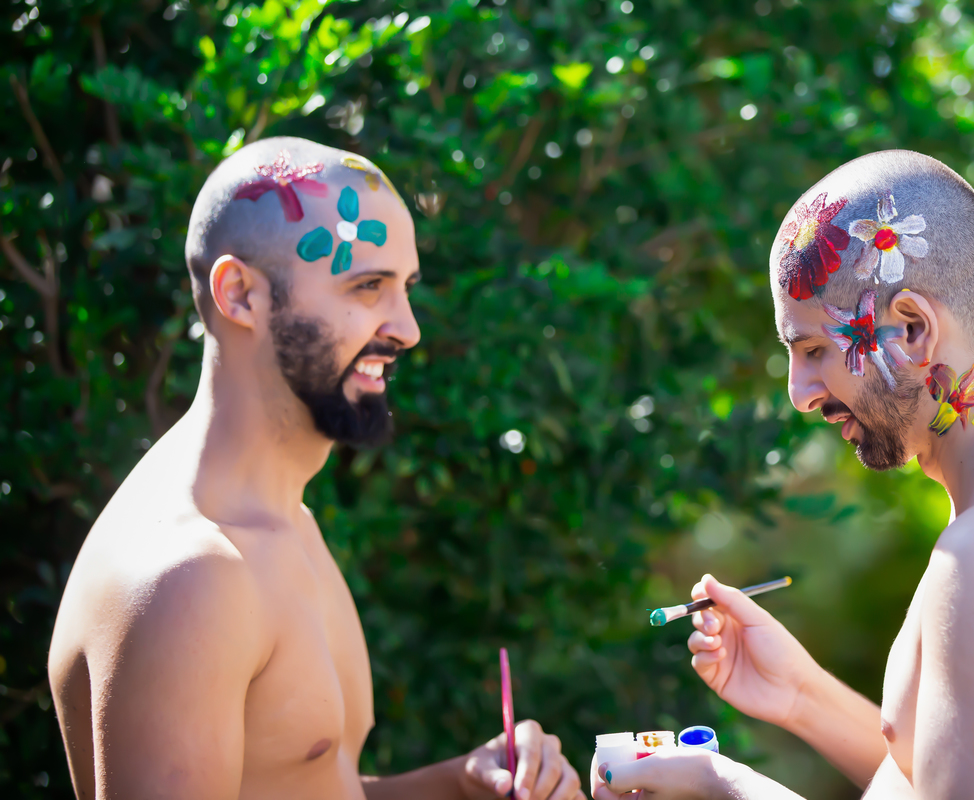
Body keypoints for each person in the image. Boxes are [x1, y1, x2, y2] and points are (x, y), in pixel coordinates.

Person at [591, 150, 974, 799]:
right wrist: (803, 697)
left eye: (814, 350)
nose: (800, 394)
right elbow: (927, 779)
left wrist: (725, 785)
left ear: (912, 328)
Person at [48, 136, 583, 800]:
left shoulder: (280, 518)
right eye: (367, 287)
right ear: (240, 294)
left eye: (404, 288)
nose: (408, 328)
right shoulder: (191, 579)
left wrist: (462, 787)